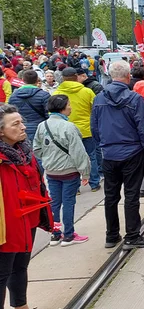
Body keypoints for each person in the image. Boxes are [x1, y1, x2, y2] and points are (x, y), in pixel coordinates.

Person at [91, 60, 144, 250]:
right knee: (131, 194)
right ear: (128, 77)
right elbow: (143, 126)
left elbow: (94, 127)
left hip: (109, 152)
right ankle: (132, 235)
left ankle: (111, 235)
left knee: (111, 196)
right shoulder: (134, 99)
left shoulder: (99, 98)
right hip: (132, 150)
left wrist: (102, 144)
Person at [0, 104, 53, 309]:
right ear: (1, 131)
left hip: (27, 219)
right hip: (6, 226)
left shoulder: (24, 151)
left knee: (20, 266)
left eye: (22, 121)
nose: (23, 127)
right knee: (2, 273)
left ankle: (21, 306)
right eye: (16, 124)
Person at [34, 95, 91, 246]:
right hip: (69, 171)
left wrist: (49, 158)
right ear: (63, 108)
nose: (70, 107)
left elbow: (37, 149)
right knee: (68, 202)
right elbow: (78, 152)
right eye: (69, 105)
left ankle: (55, 233)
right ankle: (69, 235)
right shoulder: (69, 127)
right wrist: (85, 172)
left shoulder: (42, 125)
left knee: (55, 203)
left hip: (51, 171)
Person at [53, 67, 99, 191]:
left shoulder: (56, 93)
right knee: (91, 156)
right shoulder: (87, 91)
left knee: (71, 157)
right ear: (76, 77)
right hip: (86, 128)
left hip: (65, 131)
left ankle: (76, 187)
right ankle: (94, 183)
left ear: (63, 78)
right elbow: (96, 108)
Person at [9, 70, 50, 144]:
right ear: (37, 80)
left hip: (20, 129)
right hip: (40, 128)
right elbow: (49, 114)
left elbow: (10, 115)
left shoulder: (13, 96)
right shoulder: (44, 95)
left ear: (23, 80)